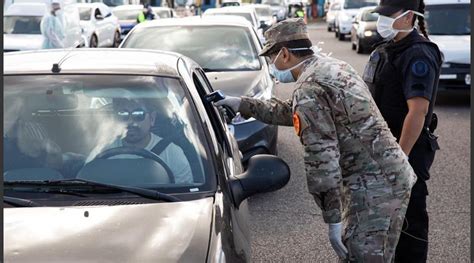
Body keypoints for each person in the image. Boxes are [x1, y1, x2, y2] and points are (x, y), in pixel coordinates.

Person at [216, 18, 417, 262]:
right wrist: (242, 104)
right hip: (385, 175)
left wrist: (332, 219)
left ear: (285, 54)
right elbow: (294, 111)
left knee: (365, 257)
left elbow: (322, 160)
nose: (271, 64)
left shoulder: (310, 87)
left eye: (271, 57)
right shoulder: (330, 66)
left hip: (375, 186)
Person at [363, 0, 442, 262]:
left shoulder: (418, 54)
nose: (381, 21)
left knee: (409, 225)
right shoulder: (390, 48)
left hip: (405, 153)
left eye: (388, 15)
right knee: (386, 221)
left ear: (409, 17)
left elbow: (417, 111)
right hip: (386, 150)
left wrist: (400, 158)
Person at [86, 98, 193, 184]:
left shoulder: (173, 153)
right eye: (123, 115)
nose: (131, 122)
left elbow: (185, 196)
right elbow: (87, 185)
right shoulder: (102, 151)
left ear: (152, 118)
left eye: (138, 114)